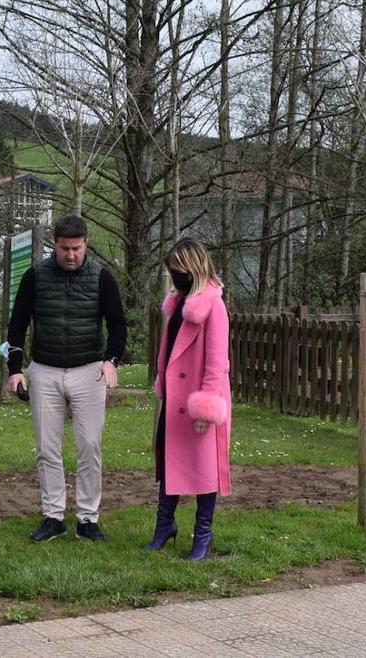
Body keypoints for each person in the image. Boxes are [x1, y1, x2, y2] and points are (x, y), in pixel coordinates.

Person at [5, 215, 127, 542]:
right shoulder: (35, 277)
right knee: (47, 447)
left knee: (89, 445)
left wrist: (111, 361)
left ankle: (88, 518)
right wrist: (15, 369)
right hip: (45, 369)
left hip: (89, 370)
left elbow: (118, 326)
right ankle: (53, 516)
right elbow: (16, 326)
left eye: (75, 248)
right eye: (63, 248)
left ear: (86, 243)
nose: (70, 255)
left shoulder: (103, 278)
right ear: (54, 246)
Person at [147, 237, 232, 561]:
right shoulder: (178, 304)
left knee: (205, 467)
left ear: (193, 267)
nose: (175, 277)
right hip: (175, 398)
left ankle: (203, 536)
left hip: (199, 401)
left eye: (179, 270)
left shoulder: (214, 306)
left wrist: (207, 406)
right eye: (172, 271)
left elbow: (216, 362)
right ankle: (164, 526)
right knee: (169, 462)